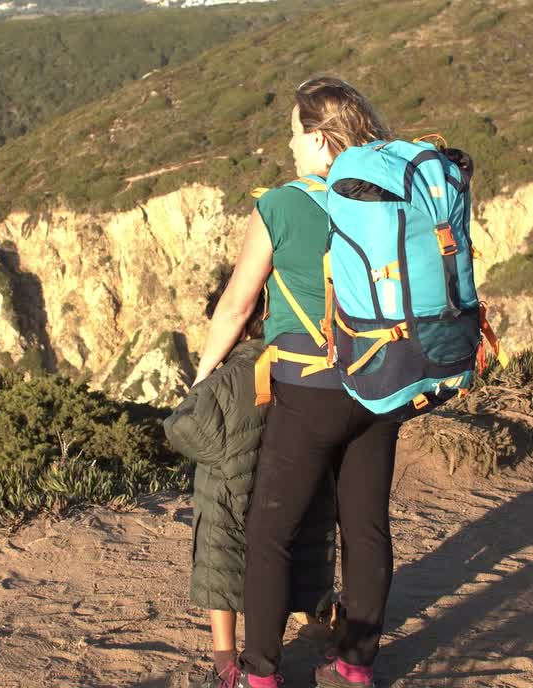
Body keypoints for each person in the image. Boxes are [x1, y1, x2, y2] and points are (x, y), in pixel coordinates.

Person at [192, 76, 398, 688]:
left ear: (317, 138)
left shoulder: (281, 204)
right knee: (365, 528)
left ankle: (259, 673)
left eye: (293, 134)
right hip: (382, 383)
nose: (288, 146)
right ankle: (354, 667)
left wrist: (202, 377)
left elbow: (235, 305)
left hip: (310, 390)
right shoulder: (388, 196)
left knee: (268, 535)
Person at [165, 290, 338, 688]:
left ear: (238, 328)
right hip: (287, 492)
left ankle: (226, 663)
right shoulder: (300, 361)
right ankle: (325, 632)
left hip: (226, 498)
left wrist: (219, 453)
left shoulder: (228, 375)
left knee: (220, 572)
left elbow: (180, 425)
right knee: (299, 563)